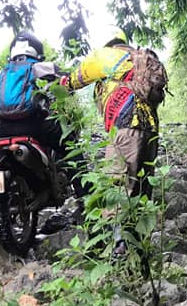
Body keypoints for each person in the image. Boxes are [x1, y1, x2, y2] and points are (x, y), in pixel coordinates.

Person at [0, 31, 85, 233]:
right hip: (35, 126)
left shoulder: (1, 74)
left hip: (3, 129)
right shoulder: (39, 66)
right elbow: (67, 82)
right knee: (71, 149)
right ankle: (87, 201)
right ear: (36, 51)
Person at [63, 30, 163, 200]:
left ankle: (113, 226)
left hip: (125, 127)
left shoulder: (104, 55)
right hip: (151, 129)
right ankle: (138, 226)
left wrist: (63, 83)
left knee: (117, 192)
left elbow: (75, 80)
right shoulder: (137, 58)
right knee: (143, 190)